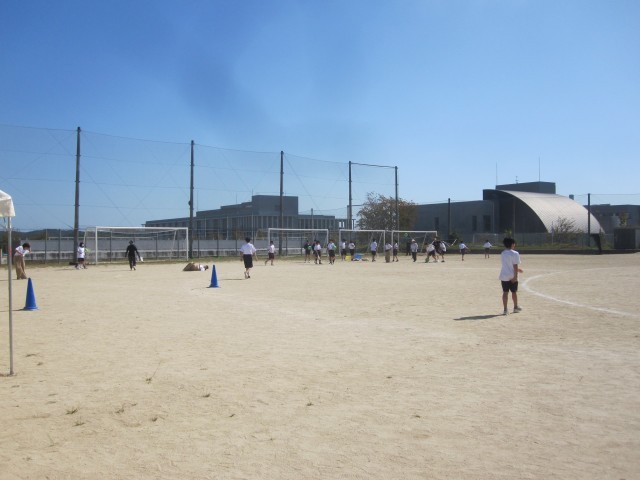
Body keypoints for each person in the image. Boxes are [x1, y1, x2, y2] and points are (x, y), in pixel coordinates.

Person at [499, 237, 523, 315]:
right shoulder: (515, 253)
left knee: (505, 292)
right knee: (514, 292)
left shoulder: (503, 253)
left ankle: (505, 310)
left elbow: (507, 265)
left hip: (504, 275)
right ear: (512, 244)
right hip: (512, 275)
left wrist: (517, 269)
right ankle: (515, 307)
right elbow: (515, 265)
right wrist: (515, 276)